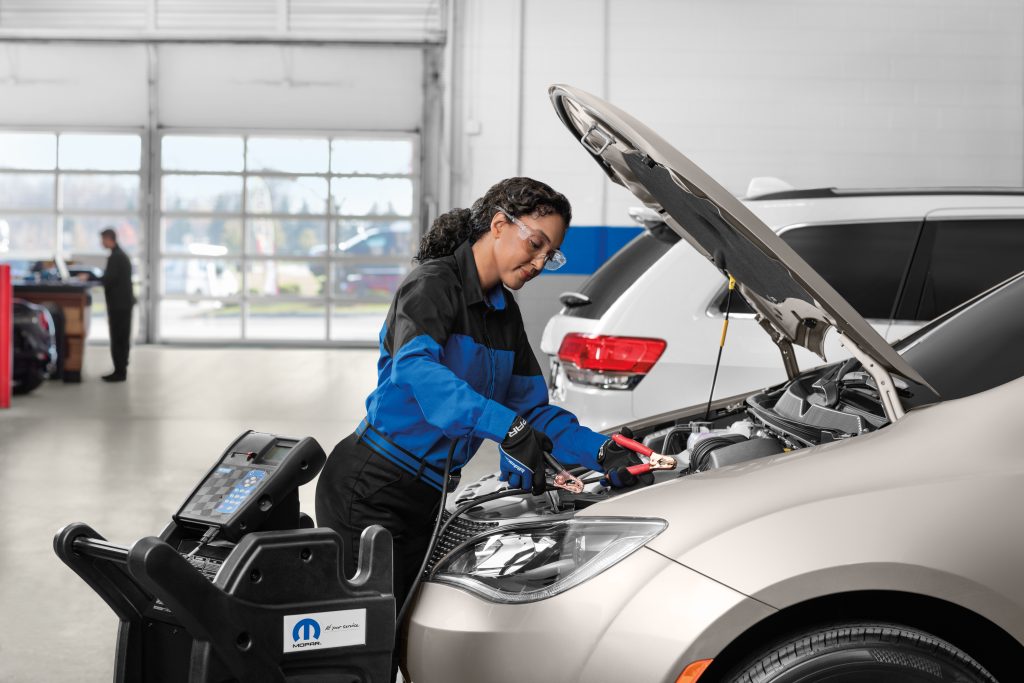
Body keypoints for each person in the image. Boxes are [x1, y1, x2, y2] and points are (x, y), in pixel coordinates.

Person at [314, 177, 651, 677]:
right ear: (499, 225)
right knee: (358, 656)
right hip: (370, 484)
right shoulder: (432, 286)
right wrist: (505, 427)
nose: (539, 264)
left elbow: (533, 409)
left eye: (550, 255)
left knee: (393, 647)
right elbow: (421, 374)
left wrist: (601, 452)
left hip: (423, 495)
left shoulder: (502, 314)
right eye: (535, 245)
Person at [98, 227, 135, 382]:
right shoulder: (120, 255)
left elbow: (109, 279)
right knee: (122, 337)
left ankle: (119, 371)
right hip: (123, 304)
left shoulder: (116, 257)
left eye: (103, 240)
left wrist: (93, 278)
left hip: (119, 305)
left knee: (118, 337)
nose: (101, 243)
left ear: (109, 239)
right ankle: (121, 369)